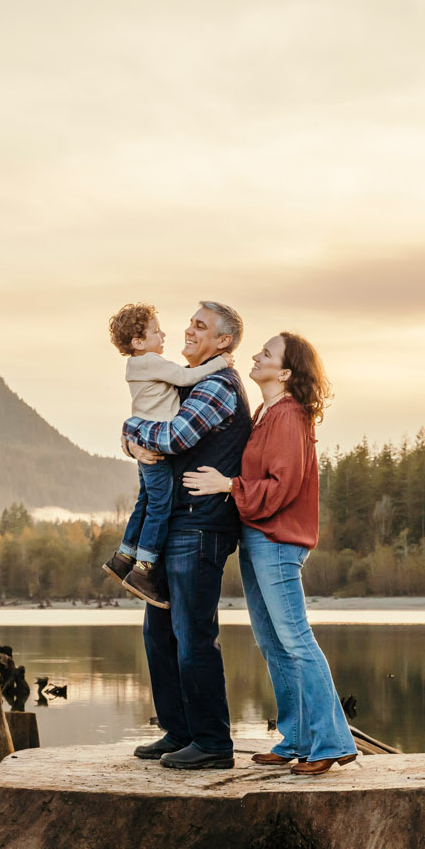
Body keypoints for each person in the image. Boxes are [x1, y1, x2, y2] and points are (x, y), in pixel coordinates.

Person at [182, 332, 356, 776]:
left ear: (286, 372)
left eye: (267, 353)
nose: (256, 356)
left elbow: (284, 486)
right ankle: (296, 736)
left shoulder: (290, 416)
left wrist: (228, 486)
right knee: (273, 641)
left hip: (278, 540)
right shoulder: (267, 413)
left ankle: (332, 742)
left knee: (296, 640)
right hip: (259, 536)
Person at [120, 301, 251, 771]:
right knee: (159, 633)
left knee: (193, 634)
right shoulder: (182, 385)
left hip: (202, 525)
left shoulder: (217, 385)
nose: (189, 329)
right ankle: (179, 733)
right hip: (176, 523)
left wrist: (133, 434)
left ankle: (214, 742)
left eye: (201, 325)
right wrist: (133, 437)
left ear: (224, 342)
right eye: (191, 322)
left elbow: (172, 439)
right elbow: (152, 431)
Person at [103, 302, 230, 608]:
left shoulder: (139, 365)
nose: (164, 335)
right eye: (156, 331)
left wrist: (130, 437)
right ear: (138, 342)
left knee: (146, 501)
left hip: (147, 443)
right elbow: (187, 379)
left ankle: (123, 557)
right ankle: (143, 570)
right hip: (158, 449)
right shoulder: (149, 361)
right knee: (159, 505)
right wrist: (221, 363)